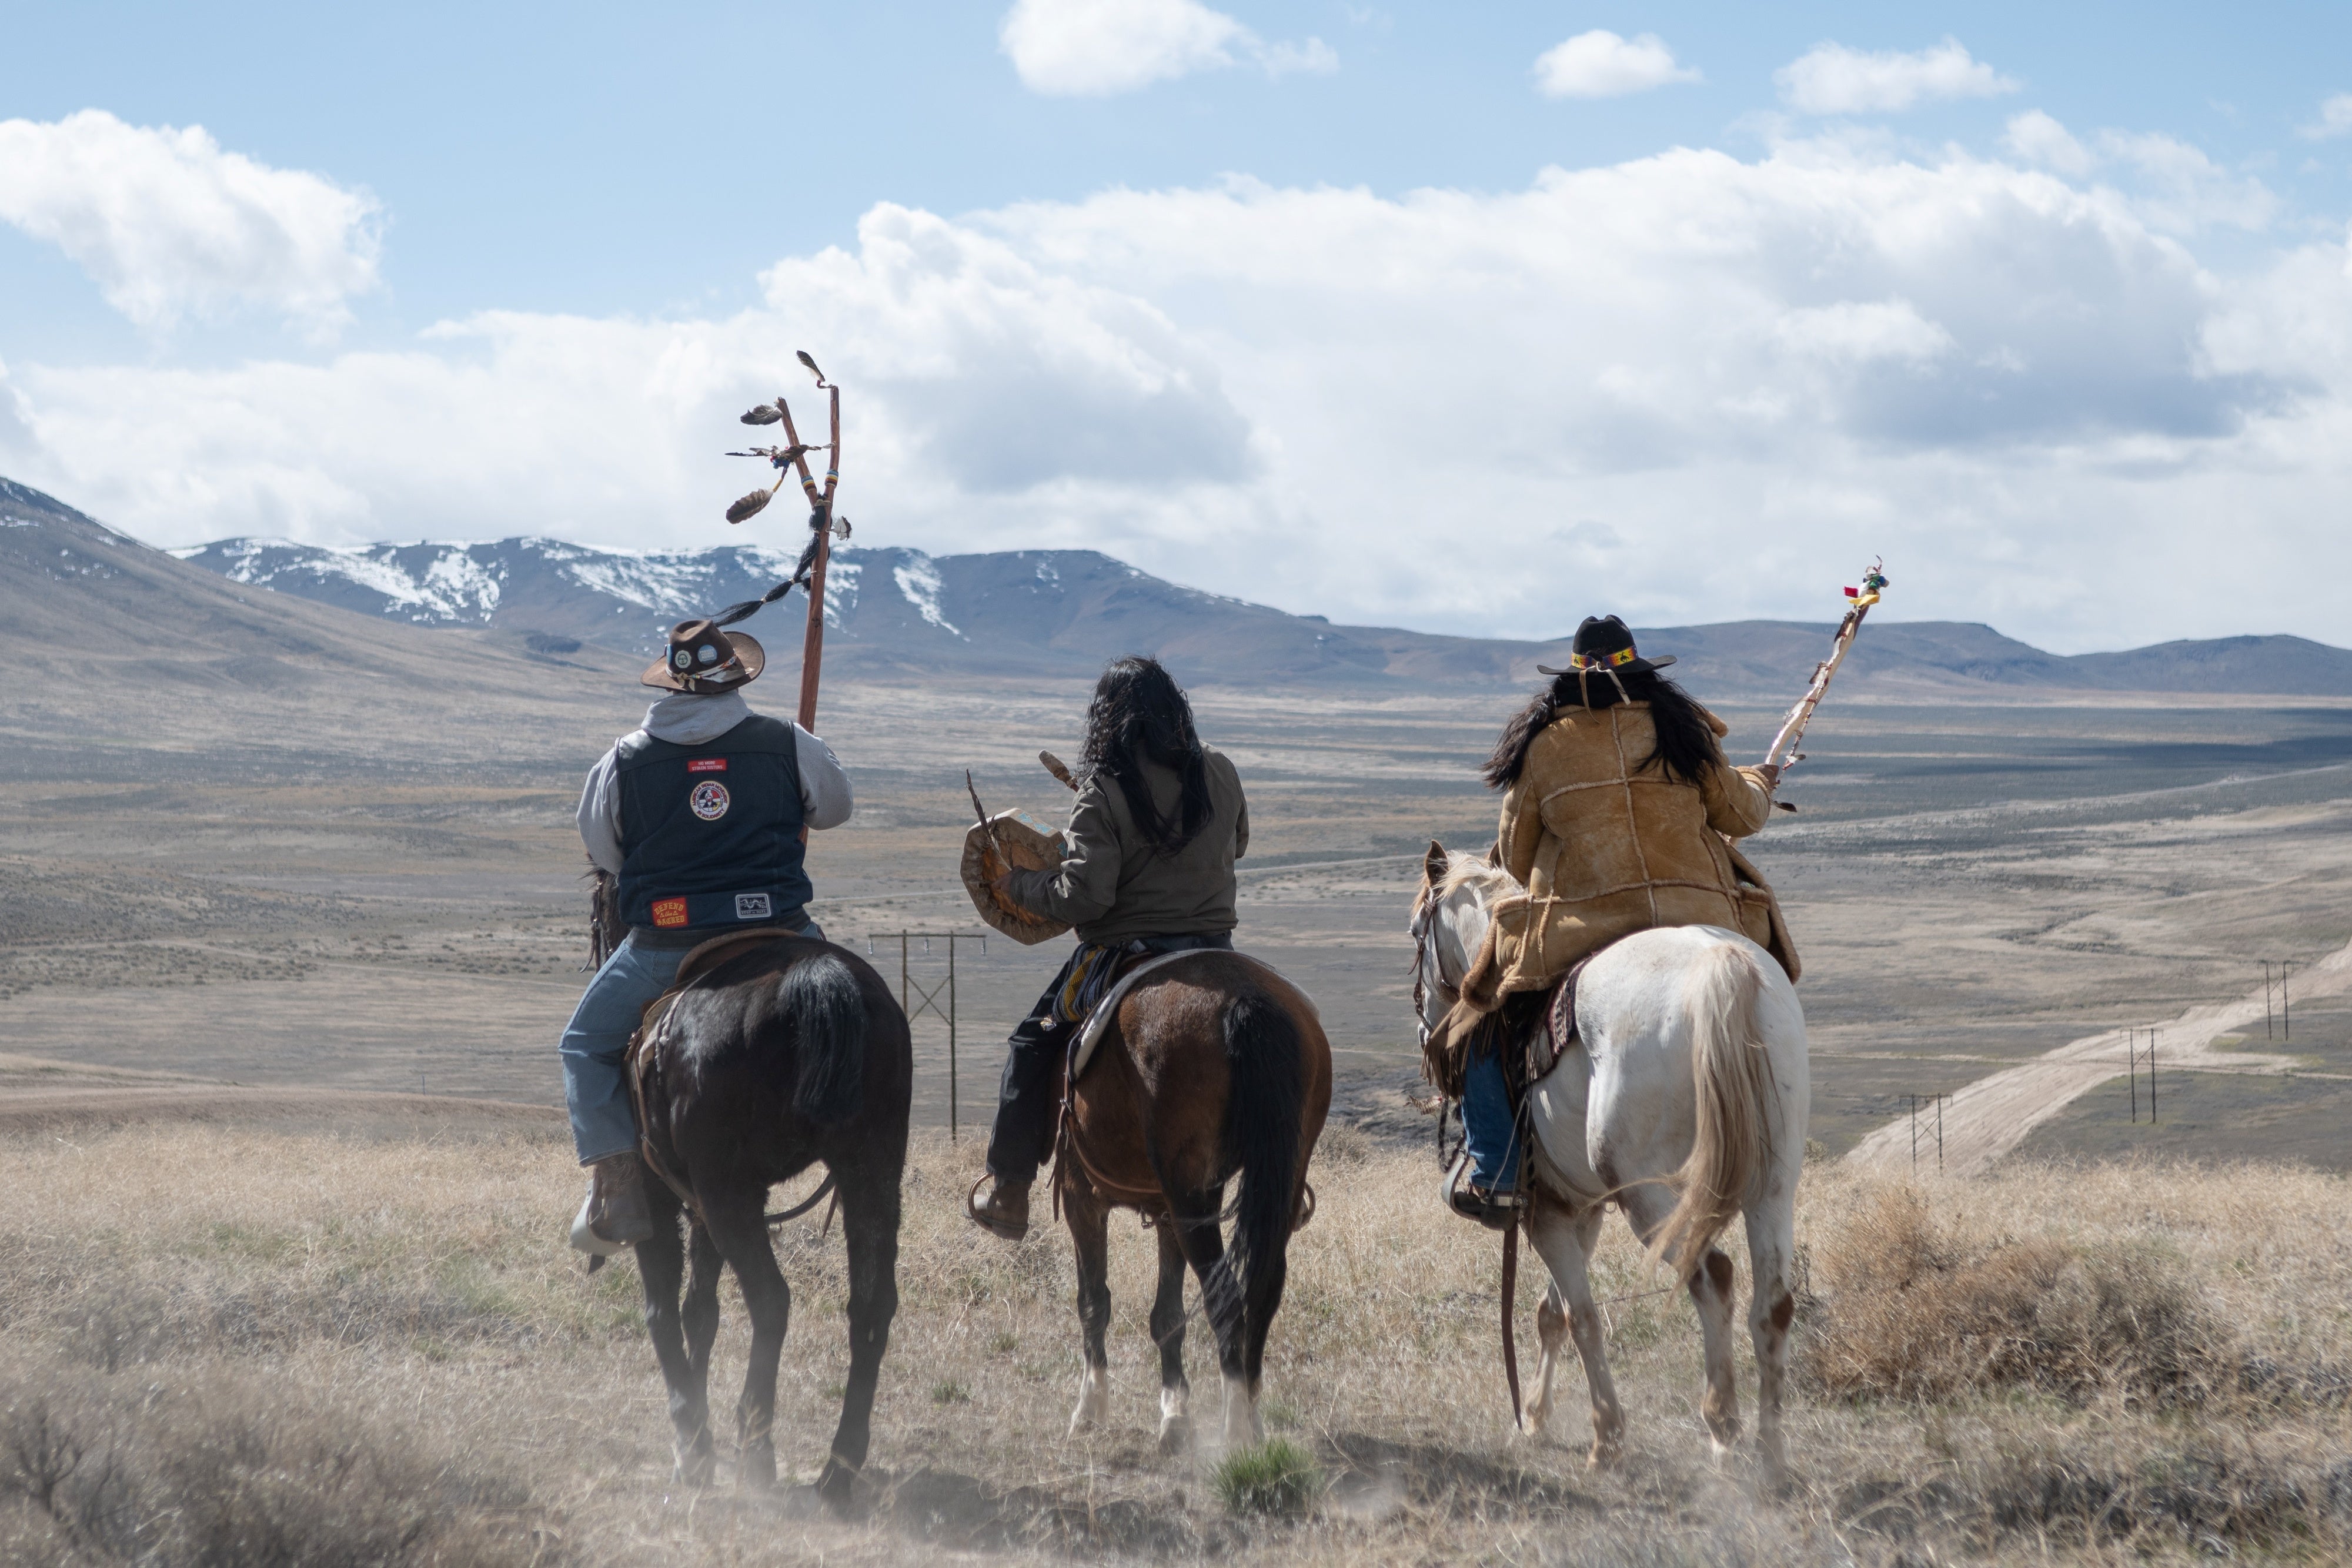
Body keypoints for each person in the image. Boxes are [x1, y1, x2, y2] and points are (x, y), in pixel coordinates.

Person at [1441, 615, 1796, 1226]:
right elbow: (1741, 816)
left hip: (1584, 927)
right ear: (1635, 670)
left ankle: (1496, 1172)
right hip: (1703, 912)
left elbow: (1517, 860)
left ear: (1572, 680)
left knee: (1480, 1022)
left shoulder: (1544, 746)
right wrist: (1758, 782)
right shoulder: (1679, 728)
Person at [560, 616, 853, 1256]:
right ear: (734, 677)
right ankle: (857, 1143)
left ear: (671, 682)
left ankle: (618, 1185)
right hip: (781, 929)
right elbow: (834, 810)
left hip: (668, 944)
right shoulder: (787, 741)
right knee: (851, 1010)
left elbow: (605, 854)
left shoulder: (621, 759)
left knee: (583, 1046)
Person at [965, 656, 1249, 1241]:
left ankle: (1010, 1188)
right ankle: (1288, 1184)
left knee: (1031, 1040)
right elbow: (1237, 843)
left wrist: (1018, 884)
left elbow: (1085, 897)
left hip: (1126, 950)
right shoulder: (1219, 769)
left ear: (1109, 720)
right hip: (1218, 950)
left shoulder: (1105, 787)